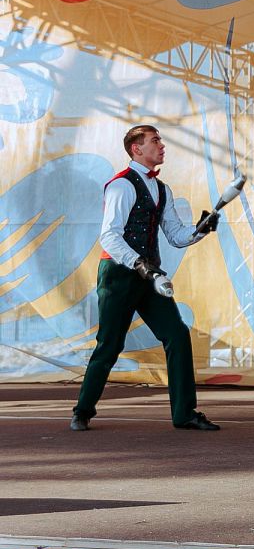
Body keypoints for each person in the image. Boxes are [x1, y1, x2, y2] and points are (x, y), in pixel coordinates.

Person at [70, 125, 222, 432]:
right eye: (155, 140)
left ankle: (185, 414)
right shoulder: (121, 186)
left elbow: (176, 236)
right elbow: (109, 237)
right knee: (109, 345)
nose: (162, 145)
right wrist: (139, 264)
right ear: (136, 148)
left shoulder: (162, 189)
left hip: (149, 275)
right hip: (118, 275)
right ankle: (82, 410)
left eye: (161, 140)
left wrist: (200, 229)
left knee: (177, 335)